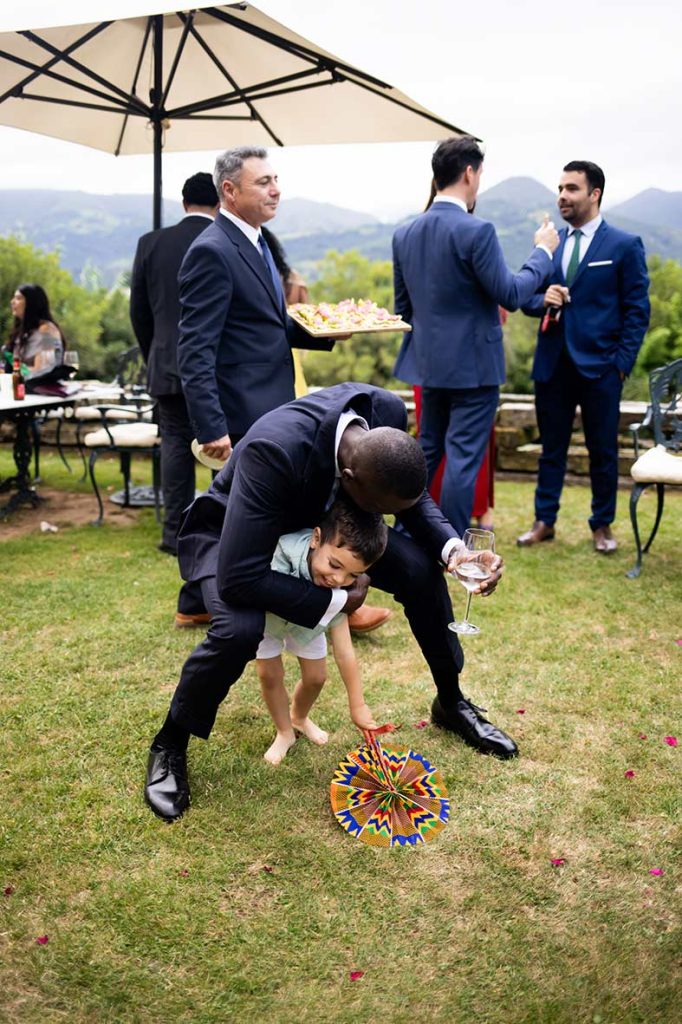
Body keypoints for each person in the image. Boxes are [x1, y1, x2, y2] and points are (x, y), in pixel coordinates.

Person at [144, 382, 516, 824]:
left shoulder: (384, 415)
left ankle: (450, 702)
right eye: (379, 510)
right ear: (353, 480)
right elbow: (240, 577)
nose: (385, 518)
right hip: (236, 539)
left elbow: (410, 500)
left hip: (322, 526)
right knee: (239, 630)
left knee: (419, 571)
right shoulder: (273, 450)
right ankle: (170, 744)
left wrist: (456, 554)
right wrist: (338, 598)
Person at [174, 147, 389, 635]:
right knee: (247, 512)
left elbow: (267, 326)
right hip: (242, 409)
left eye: (276, 179)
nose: (275, 190)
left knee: (233, 510)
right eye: (263, 182)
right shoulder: (211, 249)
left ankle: (196, 599)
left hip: (272, 402)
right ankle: (326, 604)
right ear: (229, 191)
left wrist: (326, 332)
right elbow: (195, 350)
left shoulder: (259, 242)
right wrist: (212, 426)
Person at [392, 136, 559, 537]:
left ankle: (404, 533)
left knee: (427, 452)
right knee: (464, 459)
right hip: (474, 369)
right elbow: (513, 294)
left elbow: (404, 308)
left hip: (428, 365)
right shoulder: (477, 231)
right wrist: (543, 253)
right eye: (480, 173)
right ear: (469, 172)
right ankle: (448, 545)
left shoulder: (404, 234)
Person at [517, 161, 650, 554]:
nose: (562, 196)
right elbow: (526, 299)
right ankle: (544, 521)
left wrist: (621, 365)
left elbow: (637, 311)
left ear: (594, 194)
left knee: (603, 452)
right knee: (550, 450)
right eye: (560, 188)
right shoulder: (551, 243)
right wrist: (545, 300)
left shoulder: (624, 245)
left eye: (572, 188)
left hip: (602, 369)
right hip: (553, 365)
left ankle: (602, 525)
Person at [256, 497, 387, 765]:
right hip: (268, 617)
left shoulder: (337, 590)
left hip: (309, 622)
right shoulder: (282, 553)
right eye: (335, 566)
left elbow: (345, 650)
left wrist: (357, 704)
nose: (338, 580)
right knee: (270, 674)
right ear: (316, 538)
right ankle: (284, 732)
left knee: (316, 677)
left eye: (352, 576)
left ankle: (299, 717)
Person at [129, 172, 219, 555]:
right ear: (219, 203)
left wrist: (155, 352)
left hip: (165, 362)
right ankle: (222, 526)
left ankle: (174, 533)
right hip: (217, 367)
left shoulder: (151, 243)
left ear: (184, 203)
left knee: (176, 447)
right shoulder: (222, 241)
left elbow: (139, 312)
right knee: (225, 446)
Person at [6, 284, 65, 378]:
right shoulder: (23, 331)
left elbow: (44, 369)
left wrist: (13, 373)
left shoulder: (48, 330)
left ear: (32, 303)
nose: (12, 302)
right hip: (22, 388)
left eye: (18, 298)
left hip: (42, 390)